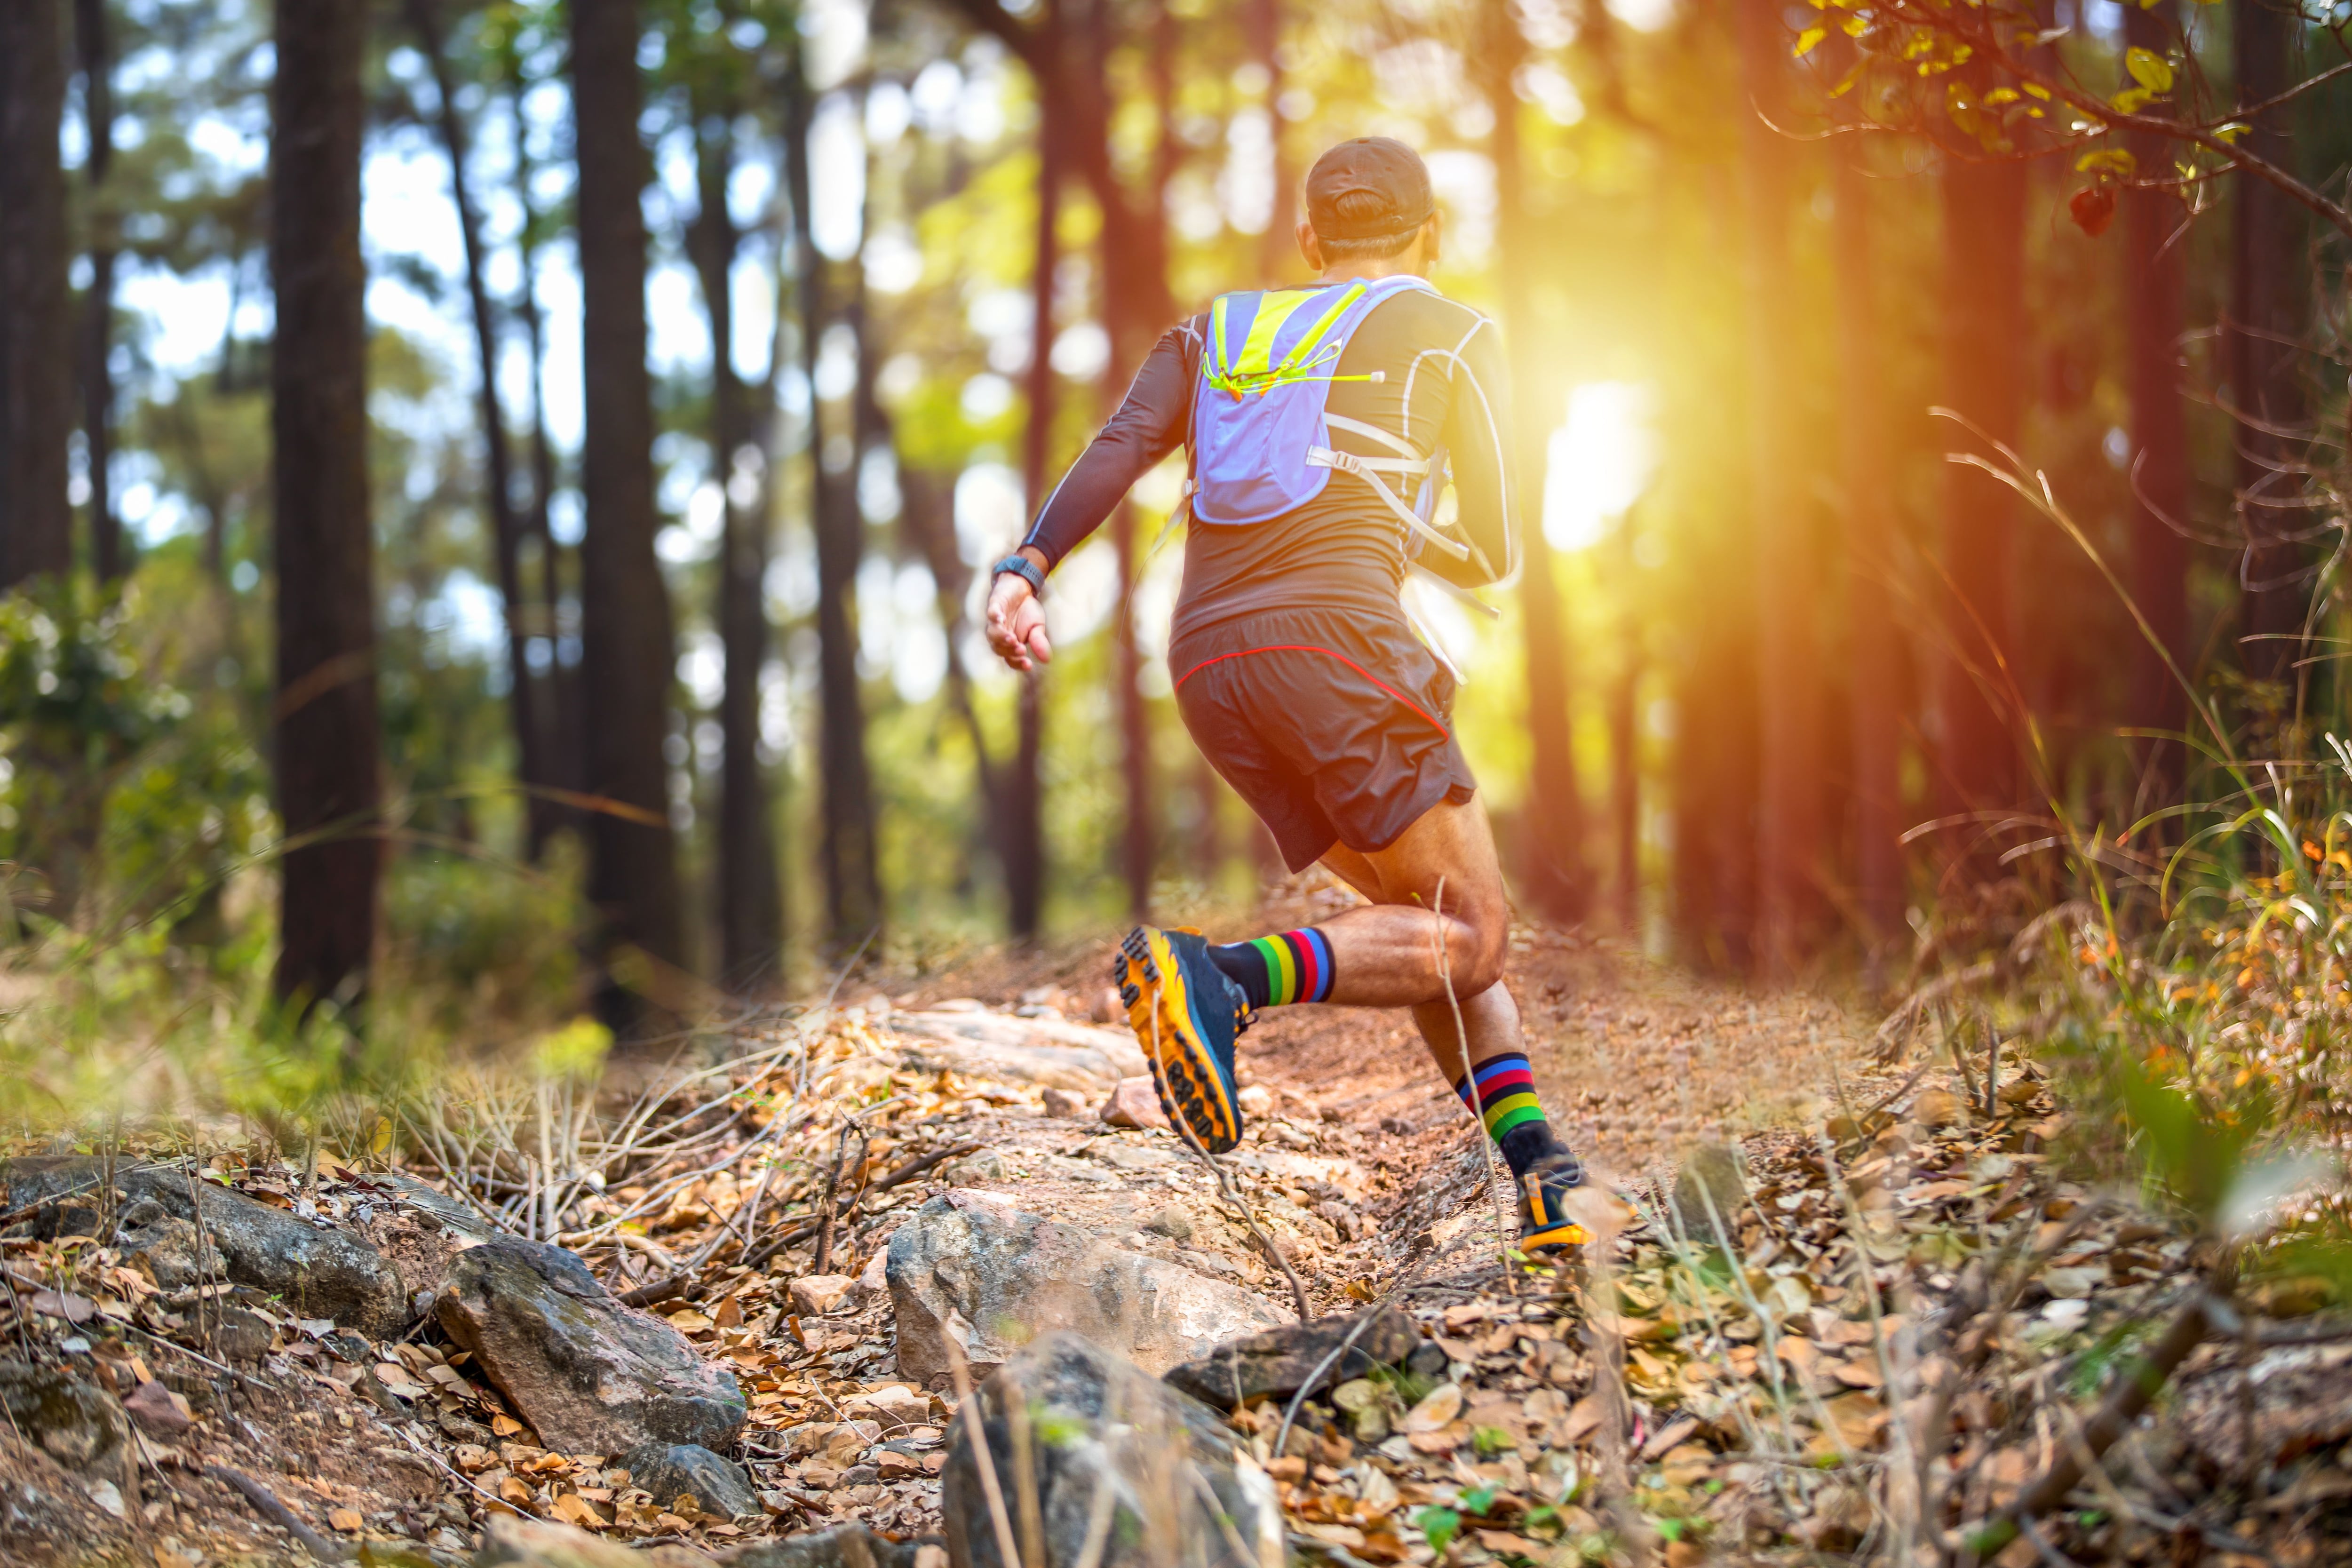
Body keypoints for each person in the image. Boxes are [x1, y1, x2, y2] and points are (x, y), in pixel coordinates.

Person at [980, 137, 1589, 1252]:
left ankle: (1547, 1181)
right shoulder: (1452, 331)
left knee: (1429, 927)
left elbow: (1122, 444)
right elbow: (1496, 543)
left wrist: (1026, 567)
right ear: (1428, 237)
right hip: (1339, 649)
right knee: (1477, 934)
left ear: (1309, 242)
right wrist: (1409, 522)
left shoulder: (1217, 328)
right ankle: (1219, 976)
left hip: (1209, 662)